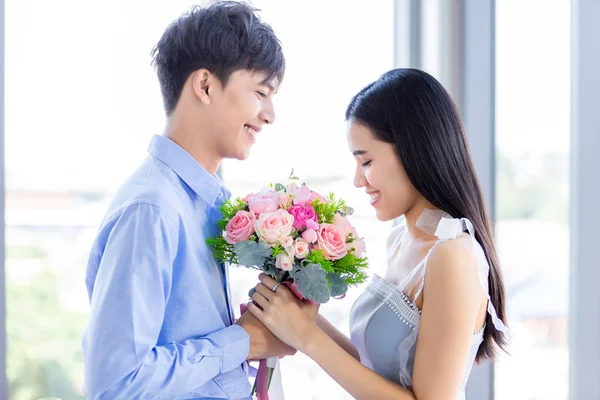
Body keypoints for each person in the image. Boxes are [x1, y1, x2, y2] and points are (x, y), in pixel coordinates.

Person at [248, 68, 509, 400]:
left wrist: (305, 337)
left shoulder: (451, 255)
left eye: (366, 161)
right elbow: (374, 374)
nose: (359, 180)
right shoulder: (402, 239)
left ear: (414, 149)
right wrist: (302, 317)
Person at [82, 2, 291, 399]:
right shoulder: (153, 208)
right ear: (206, 85)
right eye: (261, 93)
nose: (269, 115)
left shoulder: (198, 203)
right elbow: (114, 386)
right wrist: (241, 342)